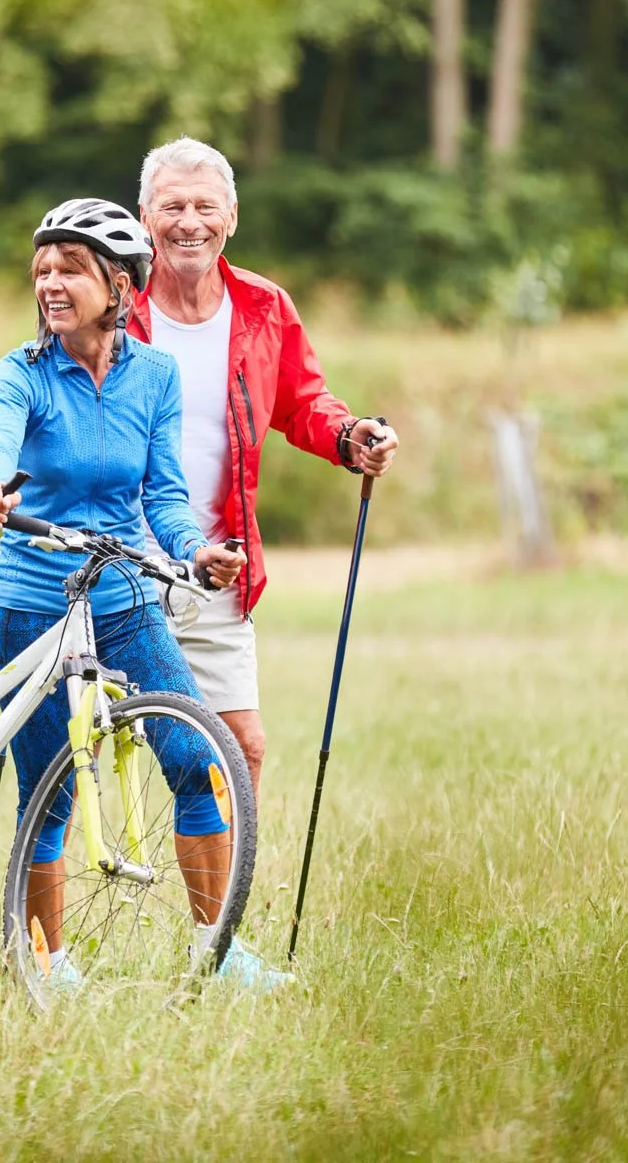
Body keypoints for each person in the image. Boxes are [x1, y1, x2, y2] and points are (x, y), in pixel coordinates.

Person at [0, 198, 299, 990]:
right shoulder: (22, 372)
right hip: (34, 605)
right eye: (42, 268)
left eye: (70, 269)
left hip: (124, 599)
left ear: (119, 283)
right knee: (46, 790)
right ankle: (44, 962)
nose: (50, 281)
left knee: (197, 758)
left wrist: (196, 551)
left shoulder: (155, 375)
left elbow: (166, 495)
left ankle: (217, 953)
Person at [130, 137, 399, 793]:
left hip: (218, 565)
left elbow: (302, 401)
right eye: (172, 206)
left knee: (239, 748)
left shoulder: (264, 308)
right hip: (120, 559)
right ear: (144, 218)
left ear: (232, 216)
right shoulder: (113, 308)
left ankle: (226, 900)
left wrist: (350, 435)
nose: (189, 222)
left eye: (204, 206)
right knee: (82, 753)